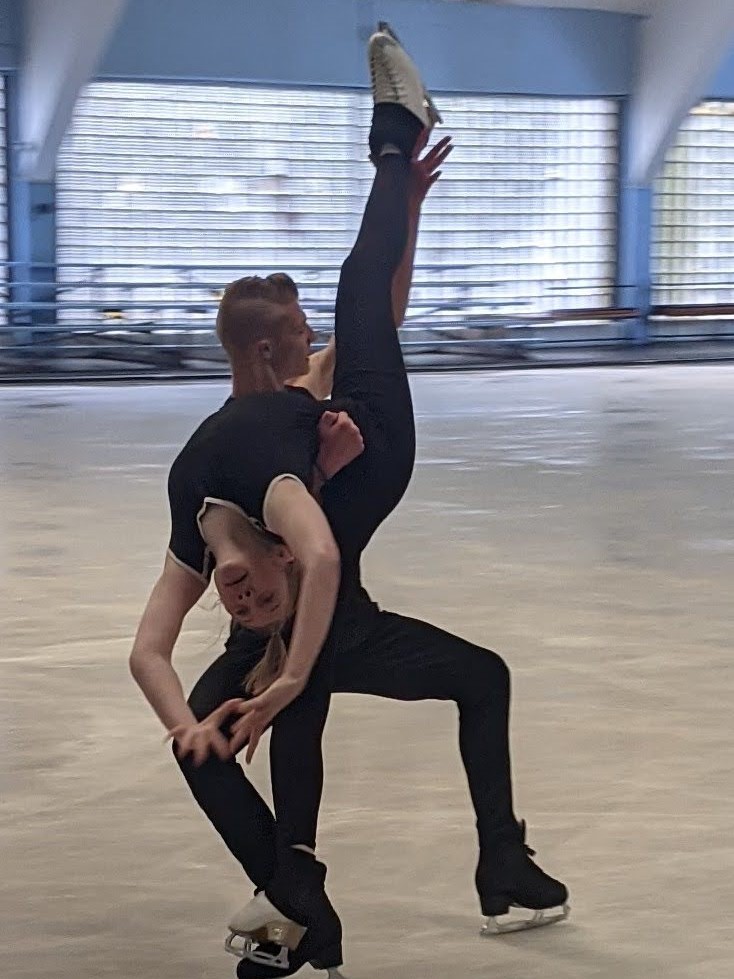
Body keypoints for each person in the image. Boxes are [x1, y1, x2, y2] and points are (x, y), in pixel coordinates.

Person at [131, 25, 568, 979]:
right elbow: (170, 637)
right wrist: (197, 716)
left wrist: (402, 215)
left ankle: (494, 861)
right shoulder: (245, 457)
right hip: (333, 570)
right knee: (228, 727)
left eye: (248, 583)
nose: (309, 339)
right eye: (293, 333)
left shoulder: (293, 417)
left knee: (464, 676)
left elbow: (381, 318)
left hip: (341, 596)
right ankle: (297, 904)